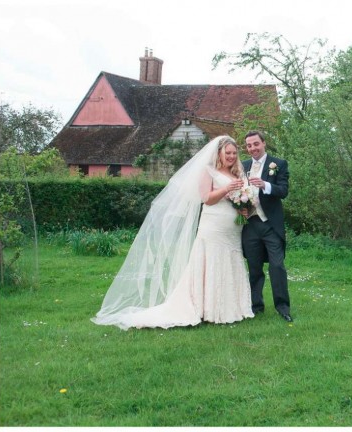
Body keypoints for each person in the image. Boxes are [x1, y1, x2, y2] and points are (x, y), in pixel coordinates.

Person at [92, 136, 254, 330]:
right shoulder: (208, 171)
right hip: (213, 227)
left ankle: (231, 308)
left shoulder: (237, 173)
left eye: (234, 153)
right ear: (218, 153)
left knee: (229, 261)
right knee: (211, 261)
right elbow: (206, 199)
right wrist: (227, 189)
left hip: (233, 229)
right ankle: (208, 309)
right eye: (227, 152)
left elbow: (240, 198)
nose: (231, 156)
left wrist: (243, 207)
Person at [241, 130, 292, 322]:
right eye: (249, 145)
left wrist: (265, 185)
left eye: (256, 144)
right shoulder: (243, 166)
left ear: (263, 143)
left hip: (271, 225)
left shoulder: (278, 164)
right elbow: (237, 191)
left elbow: (283, 191)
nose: (252, 148)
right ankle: (256, 306)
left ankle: (283, 307)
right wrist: (240, 207)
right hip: (251, 225)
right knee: (254, 268)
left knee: (277, 266)